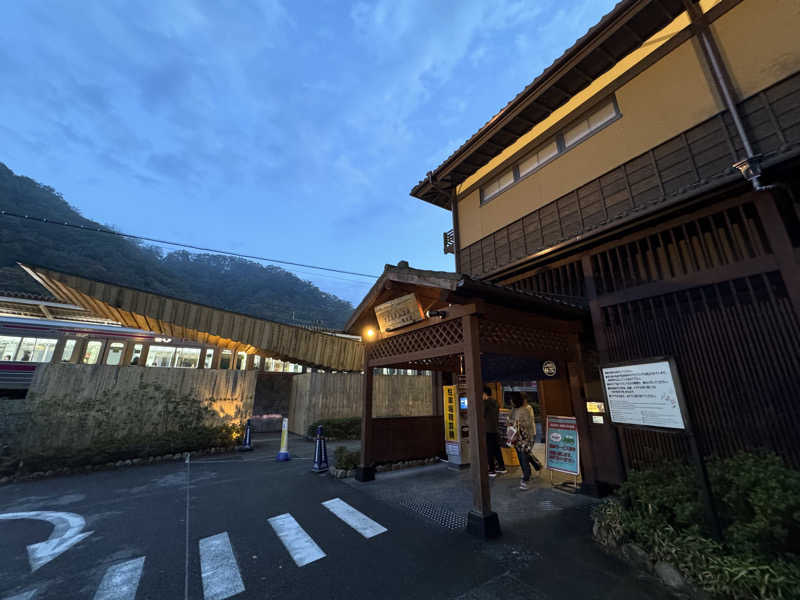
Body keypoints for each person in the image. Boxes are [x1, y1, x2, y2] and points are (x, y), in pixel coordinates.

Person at [510, 392, 541, 490]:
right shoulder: (514, 410)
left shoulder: (527, 409)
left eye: (512, 400)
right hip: (517, 438)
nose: (510, 401)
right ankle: (532, 470)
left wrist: (519, 423)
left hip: (527, 438)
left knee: (524, 456)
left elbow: (528, 424)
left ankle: (526, 479)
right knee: (522, 456)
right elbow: (510, 420)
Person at [483, 385, 506, 477]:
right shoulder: (496, 402)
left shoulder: (485, 403)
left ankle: (492, 470)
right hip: (495, 429)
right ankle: (502, 467)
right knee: (496, 449)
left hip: (488, 430)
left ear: (484, 394)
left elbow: (482, 414)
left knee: (489, 450)